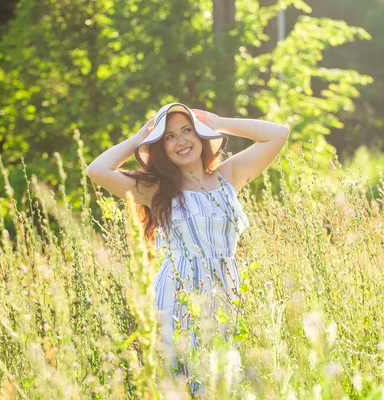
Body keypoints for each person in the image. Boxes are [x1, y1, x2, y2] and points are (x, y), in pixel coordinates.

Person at [86, 103, 289, 393]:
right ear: (161, 147)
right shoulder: (156, 190)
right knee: (183, 384)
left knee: (221, 383)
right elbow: (97, 170)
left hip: (225, 290)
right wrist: (138, 138)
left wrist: (220, 122)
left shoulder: (228, 175)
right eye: (169, 136)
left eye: (187, 131)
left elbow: (278, 134)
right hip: (178, 294)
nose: (181, 140)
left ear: (201, 136)